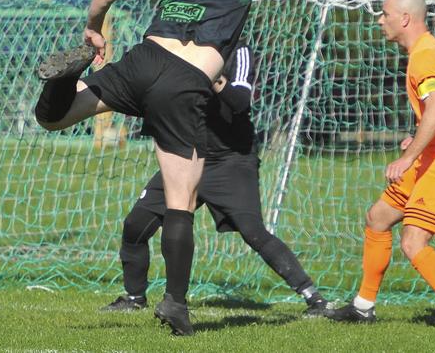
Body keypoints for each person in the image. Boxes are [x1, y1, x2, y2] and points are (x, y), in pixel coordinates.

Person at [33, 0, 276, 336]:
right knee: (181, 199)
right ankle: (176, 304)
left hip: (144, 60)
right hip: (185, 81)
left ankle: (66, 78)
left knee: (55, 118)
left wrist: (95, 32)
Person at [101, 42, 330, 319]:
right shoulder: (178, 49)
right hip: (186, 155)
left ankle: (314, 299)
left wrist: (212, 75)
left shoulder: (238, 52)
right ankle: (134, 297)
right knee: (136, 225)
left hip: (229, 162)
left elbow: (240, 102)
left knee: (252, 231)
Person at [328, 0, 435, 326]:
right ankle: (362, 306)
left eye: (384, 14)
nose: (380, 20)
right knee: (378, 218)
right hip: (430, 156)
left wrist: (407, 156)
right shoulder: (431, 51)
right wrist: (422, 136)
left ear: (404, 18)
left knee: (413, 242)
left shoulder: (425, 56)